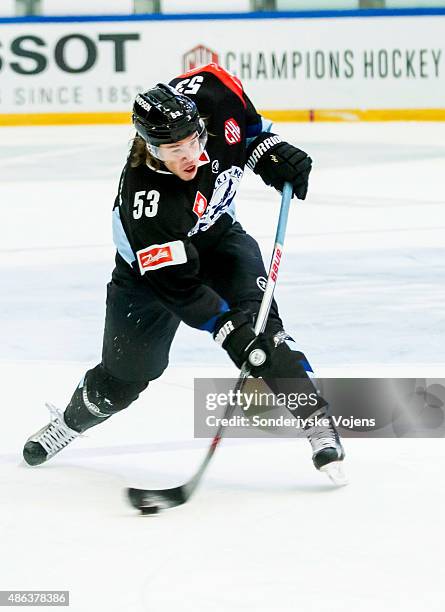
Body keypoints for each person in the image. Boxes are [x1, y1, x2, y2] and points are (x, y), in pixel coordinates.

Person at [23, 63, 345, 481]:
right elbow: (179, 288)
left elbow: (248, 125)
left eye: (194, 140)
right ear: (150, 147)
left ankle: (317, 423)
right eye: (174, 150)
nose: (191, 154)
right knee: (125, 378)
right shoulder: (149, 204)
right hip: (149, 276)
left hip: (220, 240)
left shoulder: (215, 93)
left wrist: (269, 150)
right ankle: (68, 423)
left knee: (263, 331)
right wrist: (227, 328)